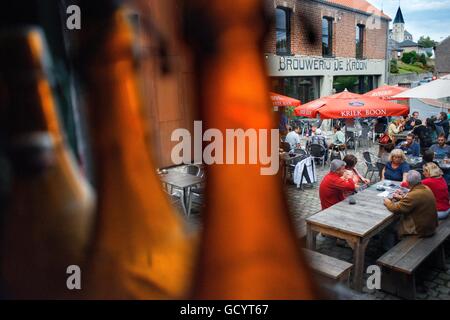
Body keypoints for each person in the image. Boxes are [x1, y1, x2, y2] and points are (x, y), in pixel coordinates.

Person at [383, 170, 438, 249]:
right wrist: (402, 197)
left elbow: (396, 209)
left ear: (408, 183)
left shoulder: (414, 194)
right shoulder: (425, 187)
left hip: (421, 229)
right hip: (430, 225)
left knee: (389, 227)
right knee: (395, 222)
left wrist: (388, 202)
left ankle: (388, 250)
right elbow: (414, 200)